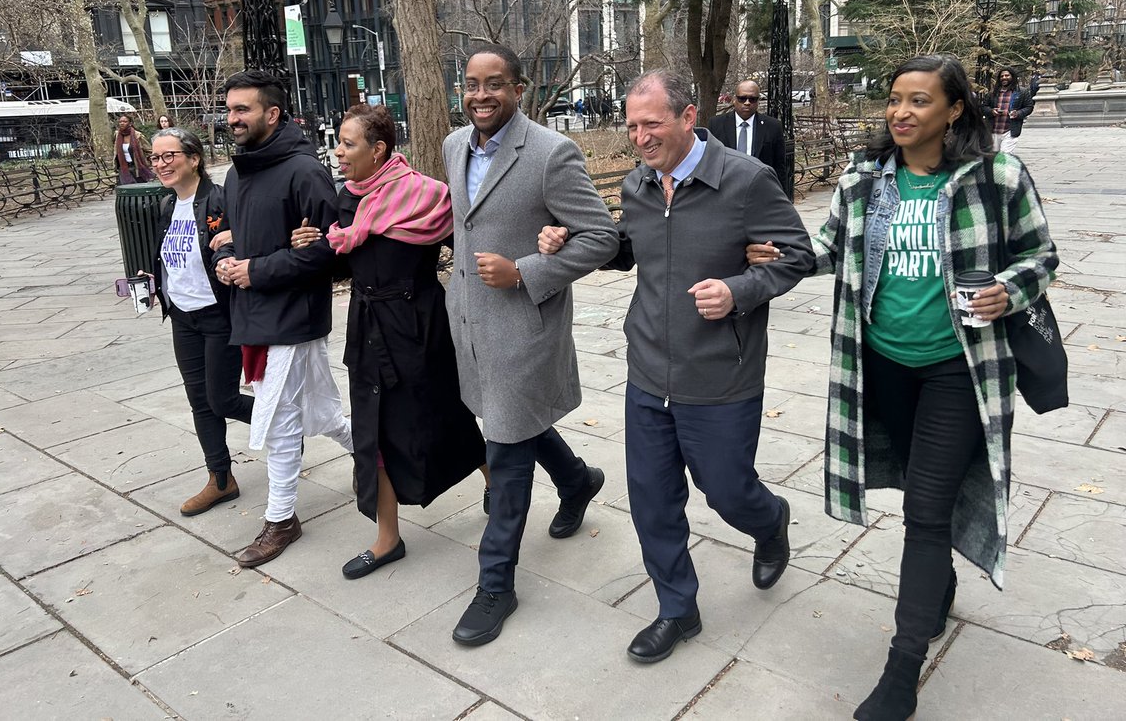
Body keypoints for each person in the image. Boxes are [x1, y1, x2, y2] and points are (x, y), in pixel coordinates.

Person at [748, 54, 1058, 720]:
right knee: (925, 491)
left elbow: (1042, 254)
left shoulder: (995, 175)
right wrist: (781, 254)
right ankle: (940, 579)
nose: (901, 112)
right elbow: (831, 247)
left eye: (919, 101)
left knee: (922, 513)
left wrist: (1013, 287)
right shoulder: (867, 175)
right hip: (882, 364)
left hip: (958, 368)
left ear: (953, 110)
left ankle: (902, 668)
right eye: (895, 99)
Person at [538, 70, 814, 664]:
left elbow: (797, 255)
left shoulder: (746, 181)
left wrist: (739, 290)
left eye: (651, 123)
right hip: (648, 369)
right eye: (632, 125)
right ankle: (676, 608)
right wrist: (573, 239)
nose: (639, 136)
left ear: (689, 118)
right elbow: (633, 245)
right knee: (652, 500)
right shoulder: (639, 186)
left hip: (720, 373)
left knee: (728, 491)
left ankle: (770, 522)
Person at [444, 44, 619, 646]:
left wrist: (525, 271)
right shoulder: (452, 145)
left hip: (522, 328)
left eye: (495, 84)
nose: (481, 95)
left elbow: (601, 236)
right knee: (513, 424)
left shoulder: (550, 152)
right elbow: (463, 223)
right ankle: (577, 481)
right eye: (471, 84)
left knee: (507, 453)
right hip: (469, 323)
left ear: (519, 88)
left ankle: (496, 584)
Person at [288, 105, 489, 579]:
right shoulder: (348, 202)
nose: (337, 151)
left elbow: (468, 253)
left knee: (447, 416)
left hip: (420, 328)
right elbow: (344, 261)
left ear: (378, 150)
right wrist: (310, 245)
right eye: (338, 142)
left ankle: (495, 478)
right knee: (372, 435)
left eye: (347, 143)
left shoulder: (428, 196)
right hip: (368, 328)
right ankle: (387, 538)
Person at [213, 70, 352, 568]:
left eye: (242, 110)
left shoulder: (304, 172)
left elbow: (329, 255)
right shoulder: (236, 173)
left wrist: (257, 269)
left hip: (293, 317)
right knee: (322, 412)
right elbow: (229, 232)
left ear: (271, 114)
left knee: (279, 420)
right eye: (229, 110)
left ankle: (281, 518)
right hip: (252, 314)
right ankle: (374, 456)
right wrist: (227, 257)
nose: (231, 119)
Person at [148, 127, 253, 516]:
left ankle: (282, 425)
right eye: (156, 158)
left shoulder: (218, 201)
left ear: (194, 158)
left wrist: (229, 254)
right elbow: (171, 258)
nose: (161, 165)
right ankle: (221, 479)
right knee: (200, 402)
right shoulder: (165, 206)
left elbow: (234, 243)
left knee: (221, 398)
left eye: (169, 156)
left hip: (218, 315)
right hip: (182, 316)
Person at [705, 80, 786, 181]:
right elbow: (710, 162)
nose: (747, 103)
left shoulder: (773, 126)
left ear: (758, 101)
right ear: (734, 99)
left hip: (760, 189)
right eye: (742, 99)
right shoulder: (716, 124)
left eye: (752, 99)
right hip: (726, 188)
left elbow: (780, 167)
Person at [982, 67, 1033, 154]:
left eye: (1007, 75)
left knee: (1004, 156)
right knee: (992, 156)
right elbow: (983, 107)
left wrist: (1018, 113)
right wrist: (992, 111)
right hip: (993, 130)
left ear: (1012, 77)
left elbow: (1029, 107)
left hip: (1010, 130)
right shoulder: (992, 93)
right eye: (1002, 76)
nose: (1004, 78)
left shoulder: (1022, 92)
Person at [114, 115, 153, 183]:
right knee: (127, 189)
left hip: (136, 167)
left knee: (139, 188)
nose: (122, 123)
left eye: (125, 121)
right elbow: (116, 151)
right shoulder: (117, 135)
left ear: (130, 123)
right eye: (120, 122)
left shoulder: (137, 135)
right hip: (123, 167)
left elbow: (149, 150)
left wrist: (149, 161)